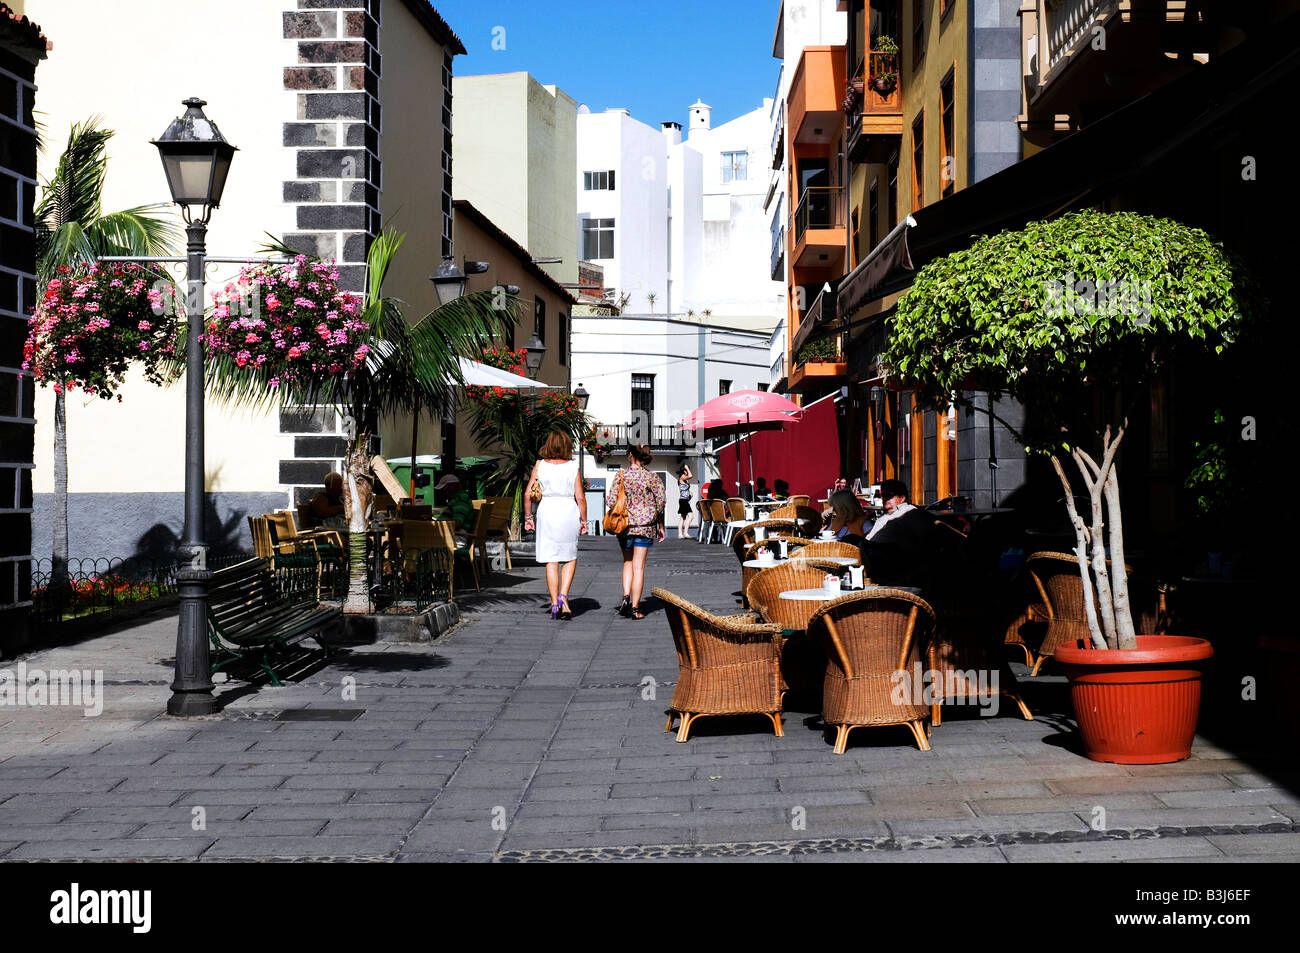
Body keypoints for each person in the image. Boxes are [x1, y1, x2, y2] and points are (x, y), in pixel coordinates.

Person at [523, 431, 587, 620]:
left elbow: (528, 494)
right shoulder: (573, 466)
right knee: (569, 556)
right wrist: (584, 521)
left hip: (547, 511)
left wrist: (528, 517)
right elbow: (581, 498)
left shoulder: (540, 465)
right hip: (568, 510)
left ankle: (553, 602)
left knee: (551, 559)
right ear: (567, 446)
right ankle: (564, 597)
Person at [608, 444, 665, 620]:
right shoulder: (652, 477)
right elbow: (661, 503)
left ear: (630, 455)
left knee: (627, 563)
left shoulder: (621, 476)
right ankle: (635, 608)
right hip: (645, 526)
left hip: (624, 526)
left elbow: (611, 500)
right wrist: (660, 525)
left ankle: (626, 597)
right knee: (638, 567)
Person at [859, 478, 937, 587]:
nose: (885, 499)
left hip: (888, 563)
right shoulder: (886, 515)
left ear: (902, 498)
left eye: (889, 496)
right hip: (871, 555)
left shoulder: (908, 512)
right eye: (883, 496)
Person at [676, 463, 694, 539]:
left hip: (684, 500)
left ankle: (680, 534)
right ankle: (685, 533)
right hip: (683, 501)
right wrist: (686, 467)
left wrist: (689, 495)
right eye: (686, 470)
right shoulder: (682, 477)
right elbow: (690, 476)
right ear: (683, 470)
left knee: (683, 517)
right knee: (691, 516)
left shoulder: (685, 480)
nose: (688, 471)